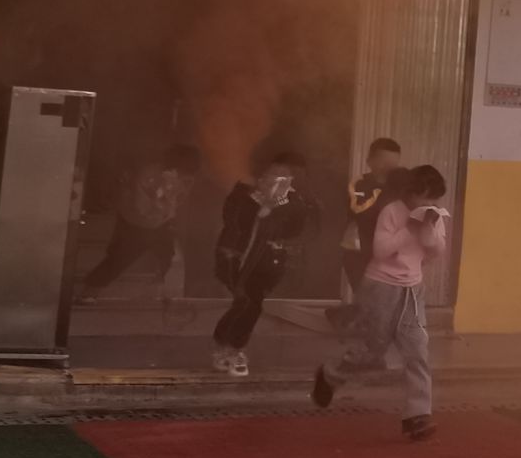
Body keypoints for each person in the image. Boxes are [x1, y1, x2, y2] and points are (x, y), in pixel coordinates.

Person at [312, 165, 449, 437]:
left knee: (417, 349)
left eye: (434, 198)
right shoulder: (392, 211)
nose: (430, 202)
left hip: (412, 290)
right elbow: (381, 250)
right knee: (372, 350)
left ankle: (417, 415)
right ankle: (330, 374)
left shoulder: (432, 215)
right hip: (380, 287)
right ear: (411, 193)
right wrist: (409, 228)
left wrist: (429, 230)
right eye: (425, 197)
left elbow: (436, 253)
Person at [209, 153, 311, 376]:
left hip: (266, 262)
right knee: (246, 301)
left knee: (251, 302)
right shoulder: (243, 194)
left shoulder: (294, 202)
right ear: (262, 173)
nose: (280, 178)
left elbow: (294, 230)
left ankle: (227, 346)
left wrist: (279, 206)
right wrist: (262, 205)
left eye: (286, 175)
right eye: (275, 173)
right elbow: (234, 223)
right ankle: (231, 348)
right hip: (236, 257)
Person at [81, 145, 201, 297]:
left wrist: (170, 205)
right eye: (184, 169)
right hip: (137, 222)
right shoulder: (150, 175)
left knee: (167, 254)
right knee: (121, 257)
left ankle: (160, 288)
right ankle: (90, 290)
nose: (186, 175)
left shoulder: (184, 179)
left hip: (159, 221)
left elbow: (177, 201)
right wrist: (163, 205)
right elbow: (141, 206)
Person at [341, 138, 402, 306]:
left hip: (387, 254)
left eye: (393, 164)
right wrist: (383, 191)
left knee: (387, 302)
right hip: (359, 252)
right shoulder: (359, 183)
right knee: (366, 300)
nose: (388, 168)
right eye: (384, 162)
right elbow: (358, 210)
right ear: (369, 161)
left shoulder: (400, 187)